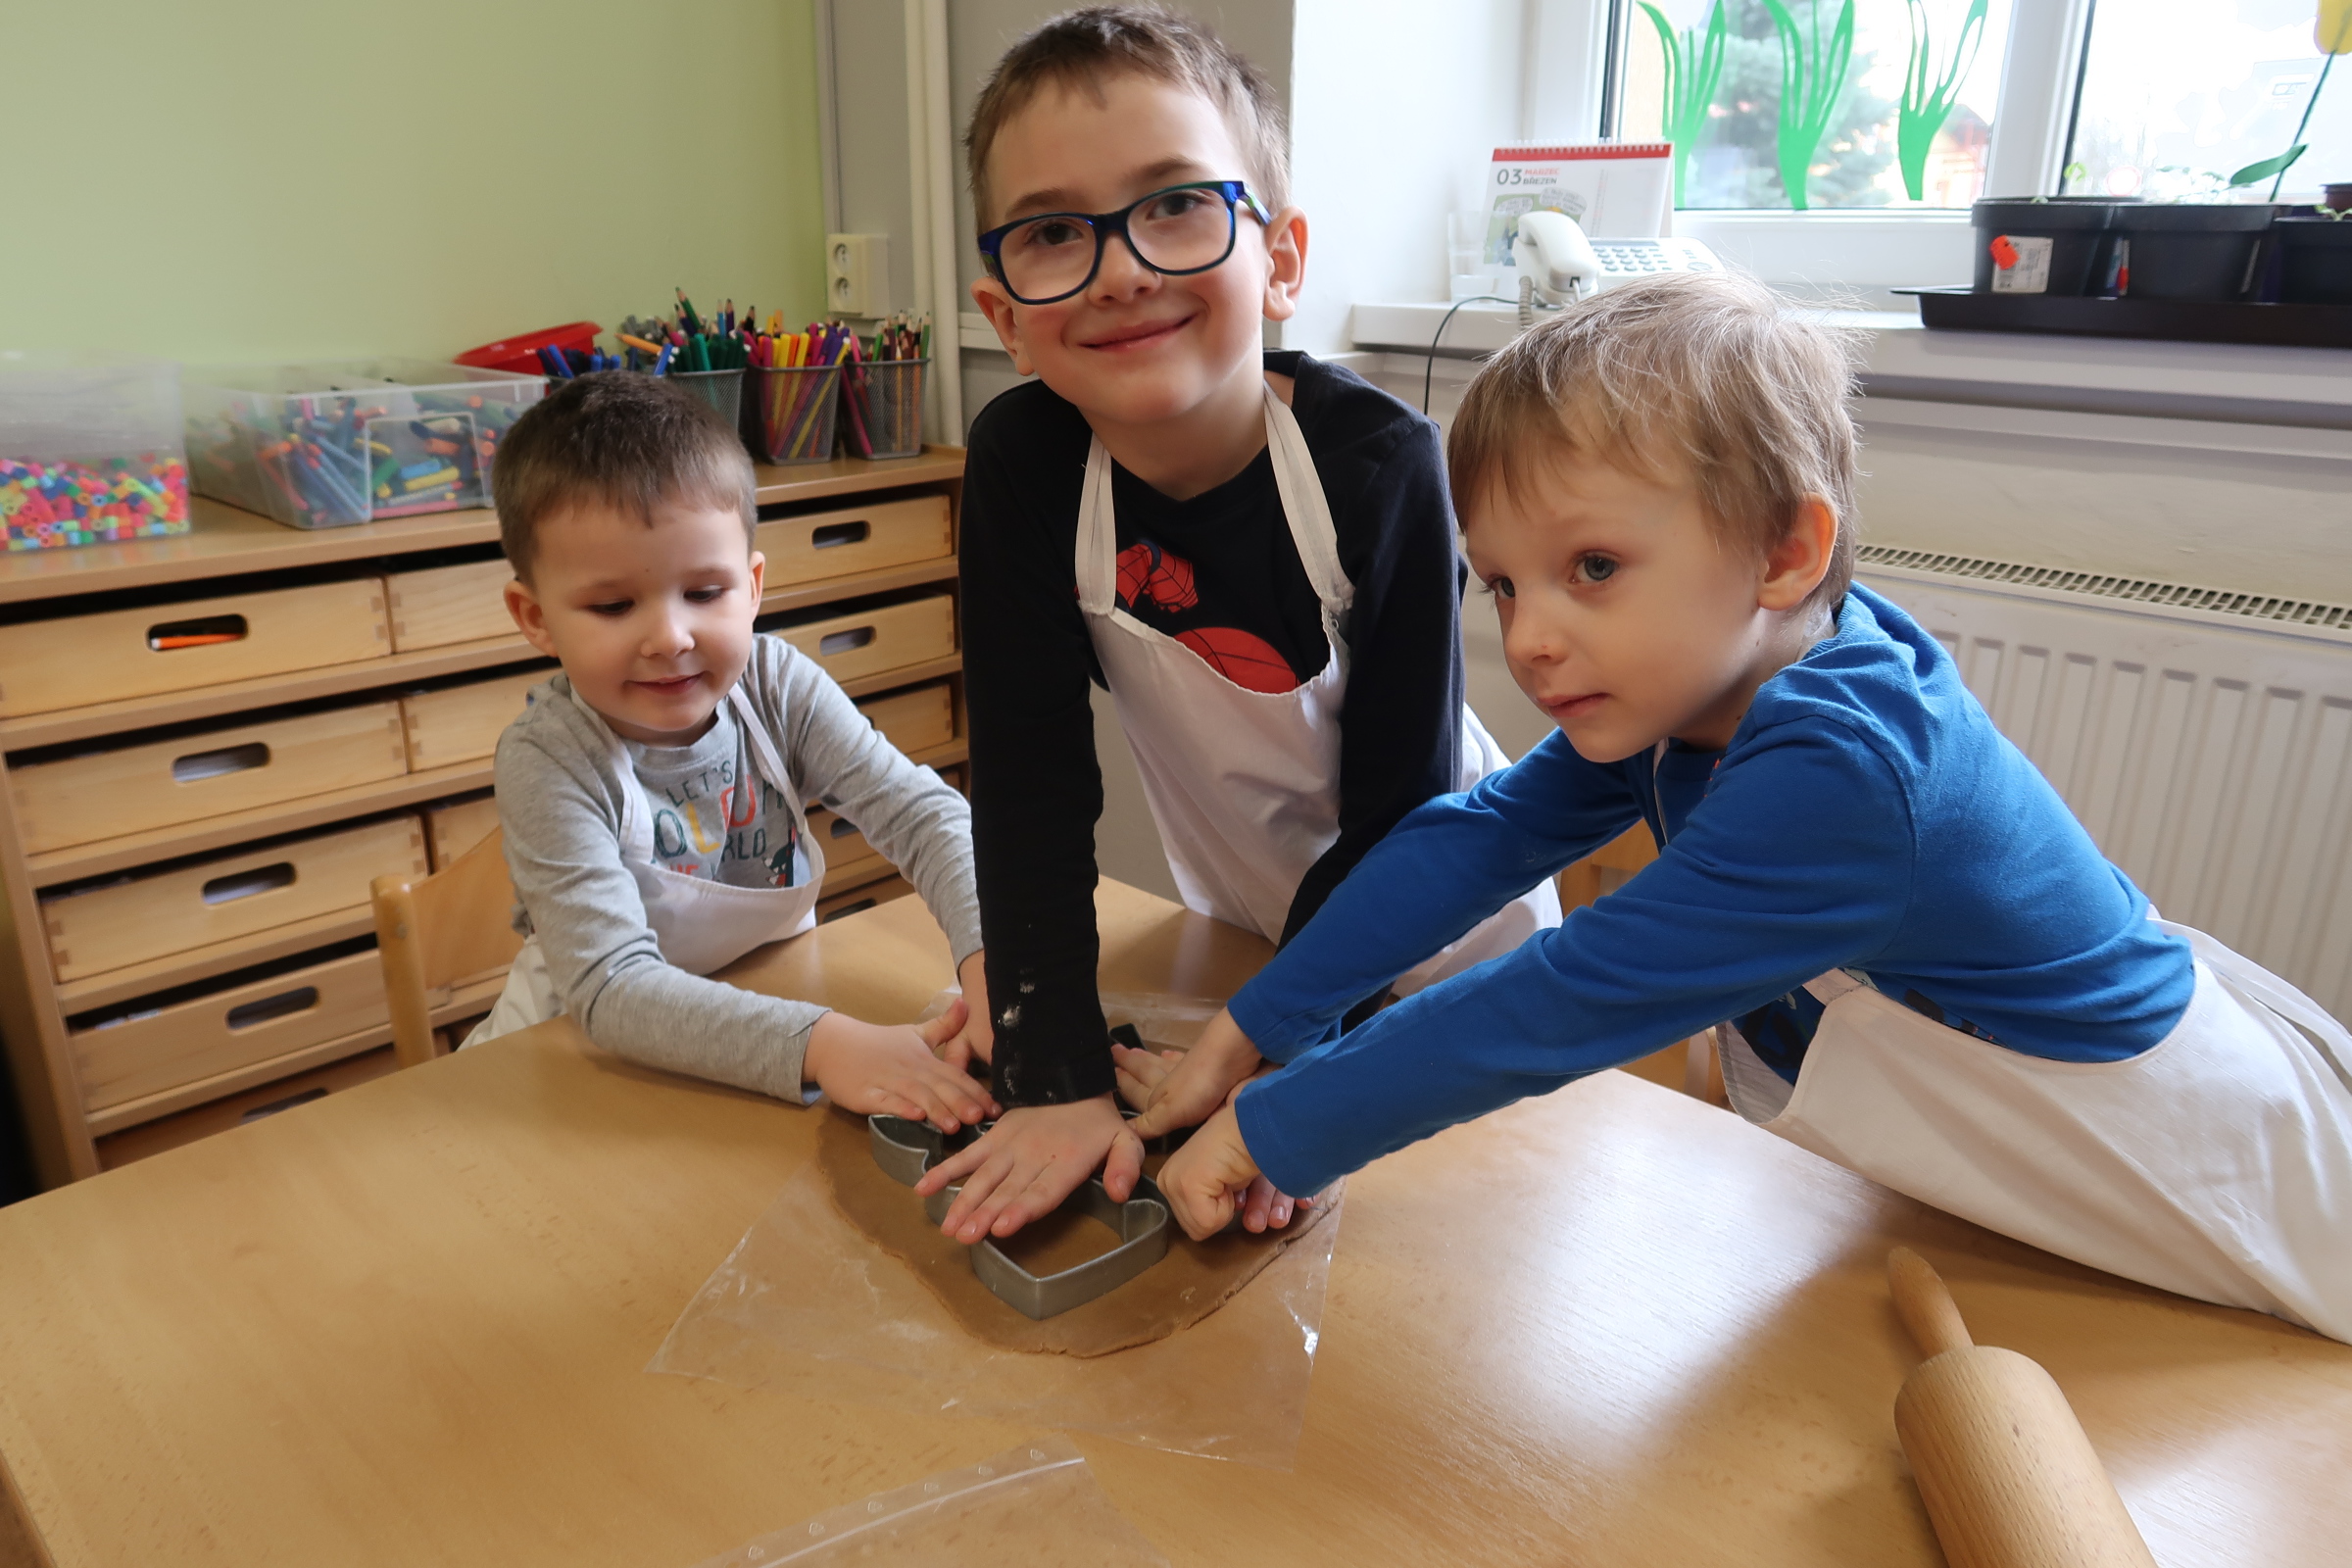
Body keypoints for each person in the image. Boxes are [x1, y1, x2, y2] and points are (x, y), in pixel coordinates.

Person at [1141, 271, 2352, 1343]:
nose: (1531, 638)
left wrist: (1270, 1130)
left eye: (1593, 567)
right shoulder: (1692, 691)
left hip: (2188, 1156)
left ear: (1784, 553)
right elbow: (1481, 834)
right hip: (2001, 1161)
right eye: (1503, 583)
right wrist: (1257, 1026)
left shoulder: (1845, 771)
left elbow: (1566, 994)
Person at [918, 4, 1559, 1246]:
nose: (1120, 269)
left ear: (1280, 259)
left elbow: (1401, 819)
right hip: (1266, 941)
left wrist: (1286, 1060)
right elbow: (1031, 785)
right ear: (1006, 318)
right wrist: (1054, 1074)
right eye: (1054, 232)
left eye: (1173, 205)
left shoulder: (1379, 467)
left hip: (1457, 954)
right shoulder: (1026, 469)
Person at [464, 372, 997, 1134]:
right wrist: (824, 1044)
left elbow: (925, 816)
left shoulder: (776, 688)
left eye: (705, 593)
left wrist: (990, 961)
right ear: (535, 617)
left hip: (765, 1037)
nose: (670, 637)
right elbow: (612, 988)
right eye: (613, 606)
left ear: (752, 587)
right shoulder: (550, 759)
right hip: (582, 1075)